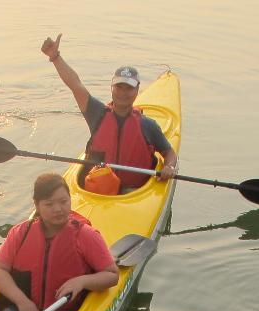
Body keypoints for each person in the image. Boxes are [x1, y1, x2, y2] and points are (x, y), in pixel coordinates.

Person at [40, 34, 179, 194]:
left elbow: (169, 153)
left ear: (137, 91)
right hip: (96, 188)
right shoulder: (96, 114)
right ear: (111, 88)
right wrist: (55, 57)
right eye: (119, 87)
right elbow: (75, 85)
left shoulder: (147, 125)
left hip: (133, 192)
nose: (123, 93)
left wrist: (169, 167)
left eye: (129, 88)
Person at [0, 172, 119, 311]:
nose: (58, 209)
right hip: (21, 307)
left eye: (64, 201)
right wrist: (22, 301)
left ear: (70, 200)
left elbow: (112, 275)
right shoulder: (20, 233)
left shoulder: (86, 235)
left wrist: (82, 281)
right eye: (49, 204)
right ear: (36, 205)